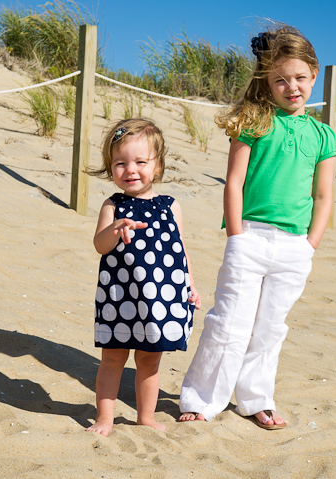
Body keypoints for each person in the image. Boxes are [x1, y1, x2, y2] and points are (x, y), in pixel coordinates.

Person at [179, 24, 336, 429]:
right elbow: (233, 181)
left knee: (270, 327)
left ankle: (255, 399)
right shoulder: (254, 121)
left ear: (314, 75)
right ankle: (202, 400)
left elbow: (323, 196)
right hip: (249, 237)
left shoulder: (323, 135)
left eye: (300, 78)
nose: (292, 87)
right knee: (229, 321)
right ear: (267, 81)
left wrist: (311, 243)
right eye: (281, 79)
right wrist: (236, 235)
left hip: (295, 246)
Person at [86, 118, 201, 436]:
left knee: (150, 361)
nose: (130, 170)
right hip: (121, 296)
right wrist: (115, 228)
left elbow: (180, 249)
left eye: (140, 162)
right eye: (120, 163)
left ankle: (146, 416)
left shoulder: (170, 206)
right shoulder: (113, 205)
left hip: (161, 296)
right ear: (111, 169)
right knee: (112, 358)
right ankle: (105, 418)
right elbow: (100, 245)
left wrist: (191, 285)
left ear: (158, 165)